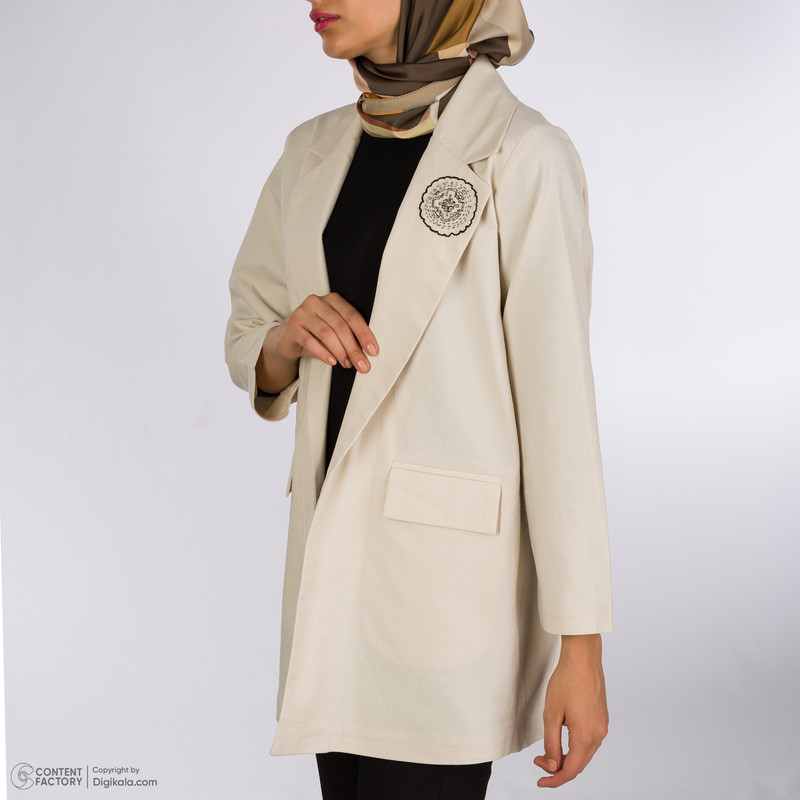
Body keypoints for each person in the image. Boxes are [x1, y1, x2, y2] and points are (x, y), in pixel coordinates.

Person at [224, 1, 614, 797]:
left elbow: (561, 416)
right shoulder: (309, 150)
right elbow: (249, 327)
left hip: (445, 589)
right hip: (331, 582)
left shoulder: (526, 155)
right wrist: (285, 340)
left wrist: (582, 647)